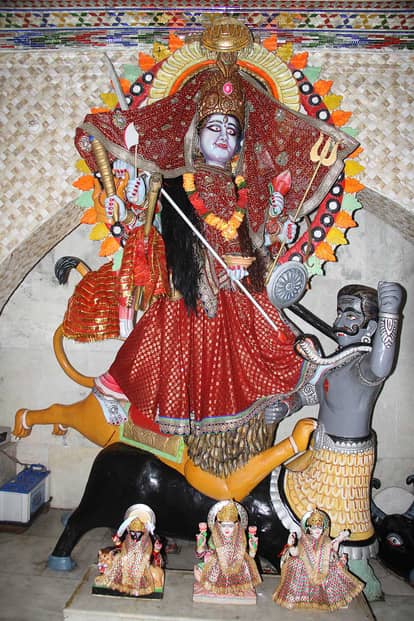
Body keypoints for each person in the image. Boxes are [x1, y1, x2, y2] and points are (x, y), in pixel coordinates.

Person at [13, 18, 357, 489]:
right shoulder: (175, 183)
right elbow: (143, 226)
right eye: (213, 126)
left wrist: (282, 221)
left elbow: (263, 238)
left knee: (285, 347)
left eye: (232, 129)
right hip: (191, 296)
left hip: (242, 295)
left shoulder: (246, 189)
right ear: (196, 133)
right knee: (168, 354)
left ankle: (267, 427)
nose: (223, 135)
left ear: (241, 143)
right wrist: (130, 199)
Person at [267, 280, 404, 598]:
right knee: (302, 504)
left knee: (345, 521)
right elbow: (315, 393)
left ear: (371, 328)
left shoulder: (367, 367)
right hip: (321, 451)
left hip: (346, 461)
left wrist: (390, 314)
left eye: (351, 315)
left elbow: (383, 362)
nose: (340, 321)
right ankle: (309, 564)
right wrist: (289, 404)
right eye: (340, 313)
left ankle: (358, 579)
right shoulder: (338, 362)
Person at [273, 508, 364, 611]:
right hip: (306, 569)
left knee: (334, 569)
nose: (317, 530)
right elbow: (295, 553)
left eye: (320, 527)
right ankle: (297, 597)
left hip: (323, 569)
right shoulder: (303, 540)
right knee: (295, 562)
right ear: (309, 529)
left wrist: (339, 541)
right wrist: (290, 544)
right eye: (314, 527)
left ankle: (335, 599)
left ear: (323, 528)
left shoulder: (326, 540)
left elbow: (333, 551)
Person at [193, 500, 261, 603]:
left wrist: (252, 550)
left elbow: (249, 557)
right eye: (224, 525)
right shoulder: (215, 538)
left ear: (236, 526)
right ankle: (221, 588)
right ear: (218, 525)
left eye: (230, 525)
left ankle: (234, 588)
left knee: (247, 568)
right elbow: (202, 554)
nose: (227, 529)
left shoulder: (239, 539)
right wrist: (200, 546)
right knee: (198, 570)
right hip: (217, 569)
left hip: (236, 570)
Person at [94, 503, 164, 597]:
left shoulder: (147, 541)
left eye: (137, 533)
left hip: (141, 566)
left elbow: (151, 555)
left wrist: (156, 550)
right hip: (126, 564)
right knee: (118, 559)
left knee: (145, 568)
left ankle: (138, 587)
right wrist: (118, 543)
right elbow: (122, 549)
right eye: (132, 533)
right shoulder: (128, 538)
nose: (134, 536)